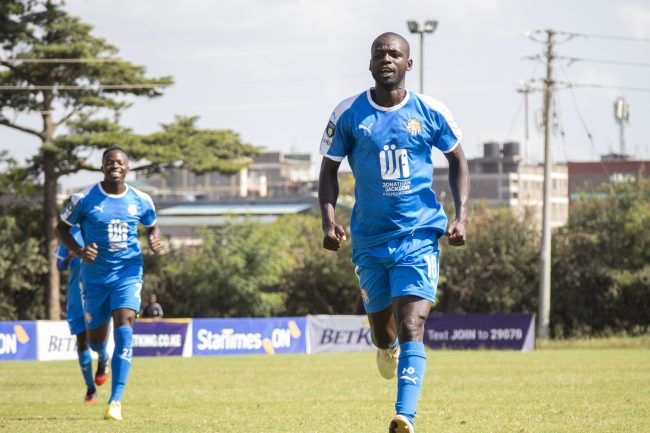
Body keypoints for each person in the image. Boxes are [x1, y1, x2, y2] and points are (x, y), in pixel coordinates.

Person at [318, 32, 469, 433]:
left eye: (395, 53)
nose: (386, 58)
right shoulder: (348, 113)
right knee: (384, 333)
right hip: (369, 239)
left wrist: (461, 215)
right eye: (379, 54)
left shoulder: (431, 111)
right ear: (370, 64)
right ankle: (385, 349)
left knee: (412, 325)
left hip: (419, 235)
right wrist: (328, 220)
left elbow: (458, 160)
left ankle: (405, 416)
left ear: (409, 64)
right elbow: (328, 170)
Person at [56, 147, 162, 421]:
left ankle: (115, 401)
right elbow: (61, 228)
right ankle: (101, 355)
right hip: (94, 280)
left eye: (120, 162)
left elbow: (152, 226)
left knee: (125, 326)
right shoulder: (84, 199)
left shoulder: (141, 200)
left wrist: (153, 239)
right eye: (109, 161)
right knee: (95, 341)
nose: (115, 165)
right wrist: (79, 252)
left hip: (128, 273)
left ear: (128, 168)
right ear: (102, 167)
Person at [56, 224, 110, 404]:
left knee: (96, 343)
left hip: (95, 295)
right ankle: (90, 388)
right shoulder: (69, 233)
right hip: (75, 297)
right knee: (81, 342)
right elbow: (59, 265)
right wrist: (70, 257)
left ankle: (103, 359)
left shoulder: (99, 227)